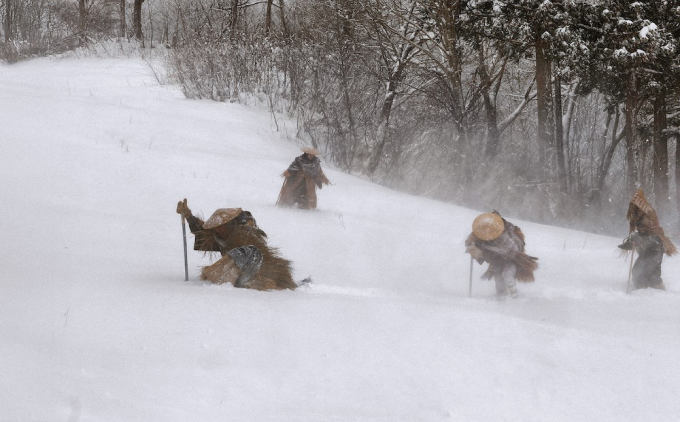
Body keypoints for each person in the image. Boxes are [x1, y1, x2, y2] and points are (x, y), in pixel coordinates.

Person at [176, 199, 298, 291]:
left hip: (257, 270)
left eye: (222, 226)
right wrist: (188, 215)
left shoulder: (247, 235)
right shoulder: (218, 234)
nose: (219, 230)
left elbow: (257, 257)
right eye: (217, 227)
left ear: (230, 224)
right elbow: (201, 230)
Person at [465, 211, 538, 298]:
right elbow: (470, 241)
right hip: (496, 261)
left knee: (507, 274)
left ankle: (514, 296)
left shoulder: (507, 234)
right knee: (498, 279)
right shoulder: (480, 230)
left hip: (511, 259)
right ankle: (501, 299)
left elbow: (510, 250)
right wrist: (472, 246)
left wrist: (483, 252)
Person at [618, 189, 677, 290]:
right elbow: (633, 233)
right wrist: (631, 241)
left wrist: (640, 239)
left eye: (637, 207)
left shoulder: (649, 213)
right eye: (633, 208)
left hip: (656, 248)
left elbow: (655, 233)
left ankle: (658, 295)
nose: (635, 210)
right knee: (639, 271)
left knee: (652, 274)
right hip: (646, 249)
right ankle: (643, 292)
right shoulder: (634, 217)